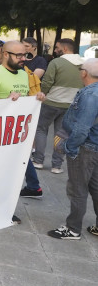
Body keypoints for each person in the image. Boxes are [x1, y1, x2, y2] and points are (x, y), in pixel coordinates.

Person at [0, 41, 46, 219]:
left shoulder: (23, 74)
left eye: (26, 55)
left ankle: (4, 209)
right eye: (19, 56)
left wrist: (36, 98)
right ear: (5, 54)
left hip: (16, 136)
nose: (24, 59)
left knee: (11, 175)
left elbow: (24, 101)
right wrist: (4, 101)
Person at [47, 58, 98, 240]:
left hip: (85, 147)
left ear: (84, 73)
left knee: (77, 188)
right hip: (94, 146)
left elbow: (82, 127)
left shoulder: (90, 94)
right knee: (95, 186)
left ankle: (73, 228)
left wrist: (70, 146)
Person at [32, 38, 83, 174]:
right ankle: (57, 165)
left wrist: (42, 93)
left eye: (57, 48)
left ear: (65, 49)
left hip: (51, 102)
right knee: (61, 134)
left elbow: (47, 81)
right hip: (70, 105)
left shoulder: (56, 62)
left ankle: (38, 161)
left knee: (41, 130)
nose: (55, 50)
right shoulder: (83, 64)